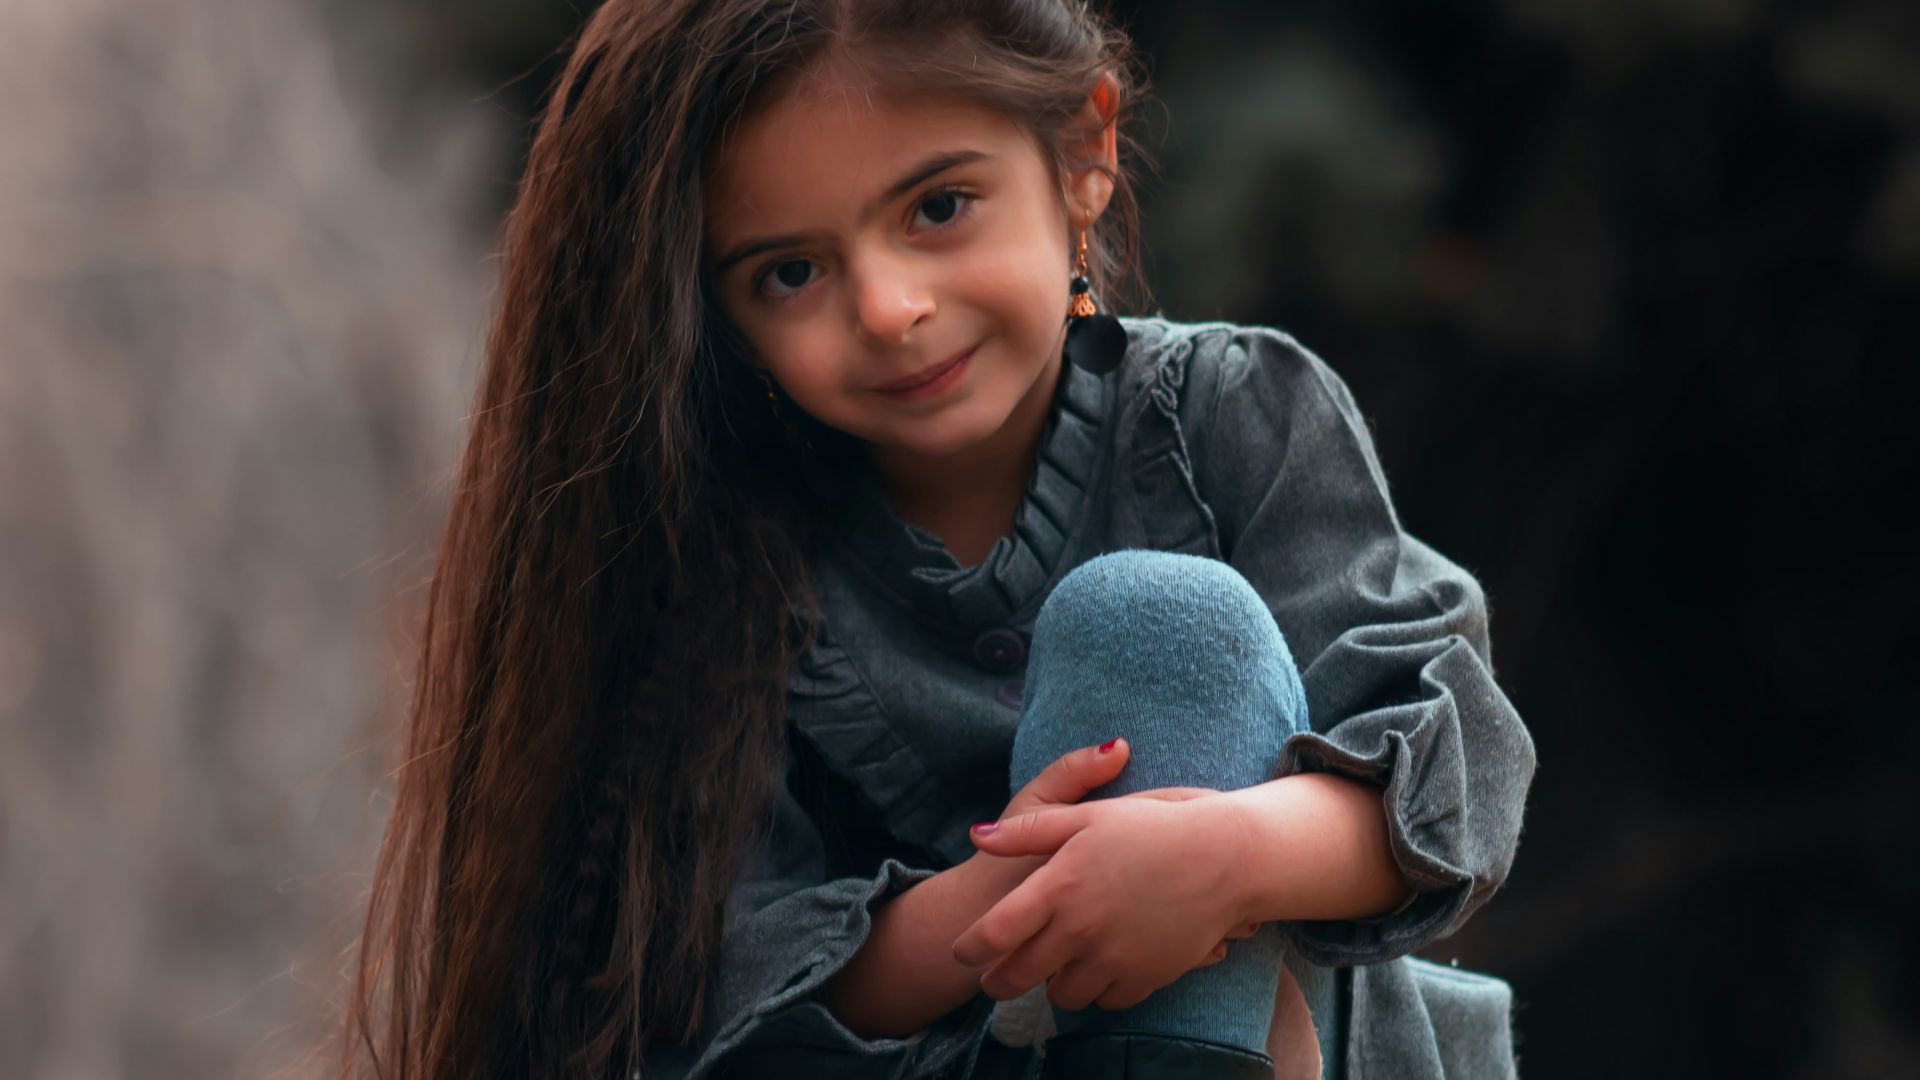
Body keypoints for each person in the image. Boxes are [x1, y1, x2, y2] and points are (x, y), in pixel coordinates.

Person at [335, 1, 1538, 1078]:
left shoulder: (1236, 416)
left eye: (938, 207)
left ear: (1084, 153)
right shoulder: (727, 558)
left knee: (1160, 628)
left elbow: (1453, 765)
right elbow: (691, 984)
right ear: (716, 314)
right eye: (790, 272)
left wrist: (1223, 857)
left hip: (1299, 1039)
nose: (887, 308)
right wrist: (1021, 901)